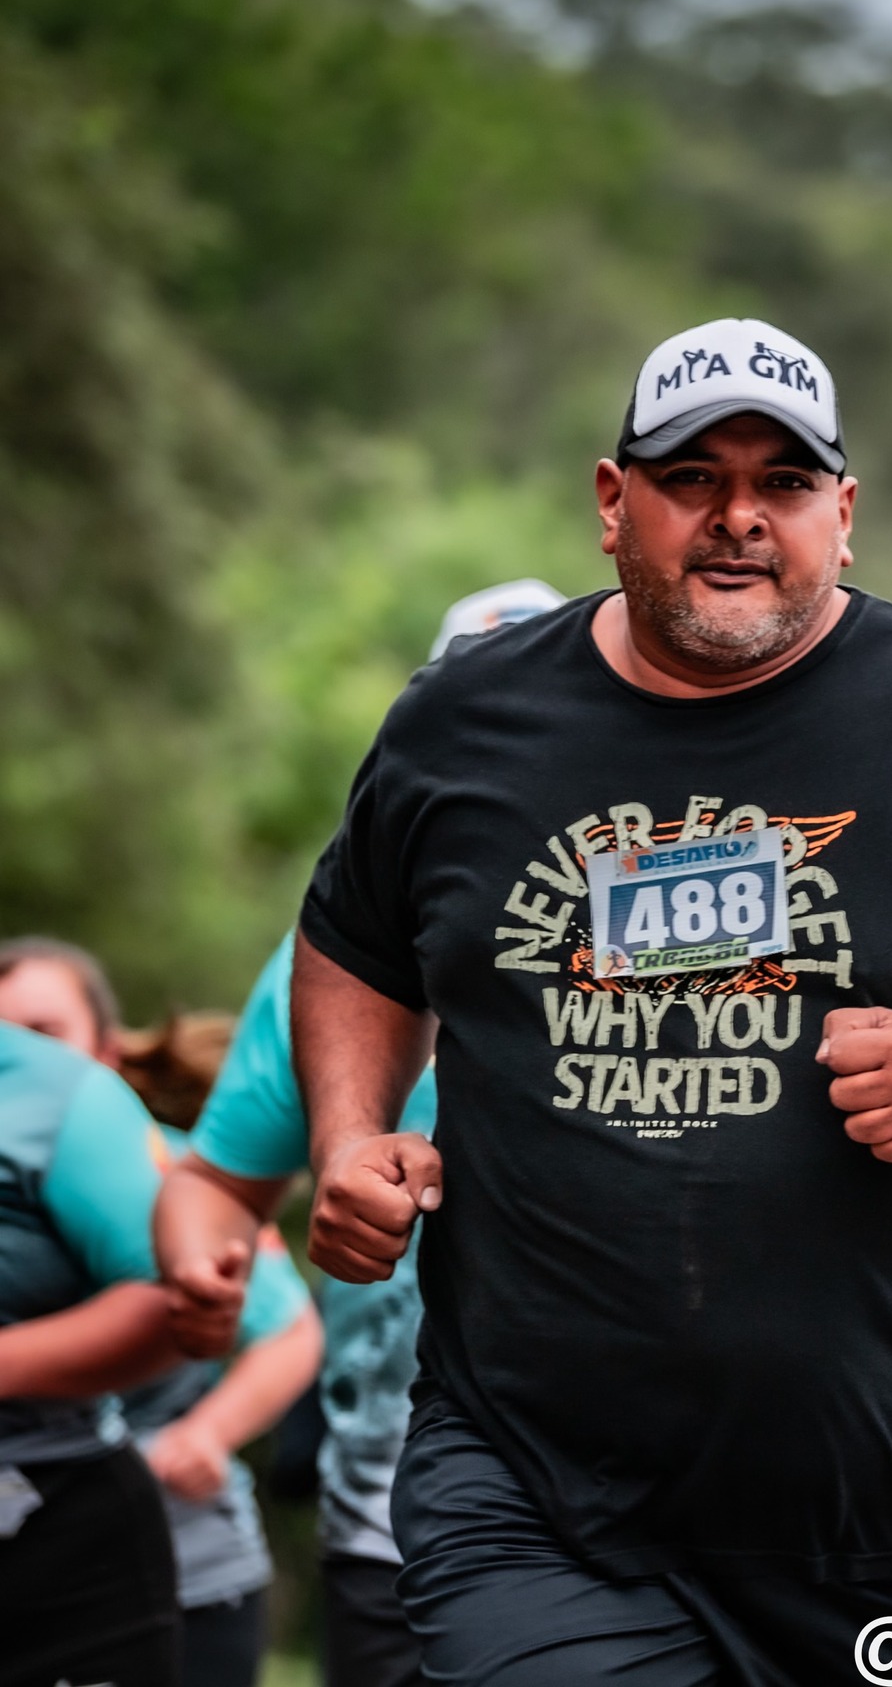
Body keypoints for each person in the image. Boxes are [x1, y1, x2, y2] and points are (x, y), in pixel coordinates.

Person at [286, 318, 892, 1683]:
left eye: (785, 484)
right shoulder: (463, 724)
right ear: (611, 501)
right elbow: (352, 940)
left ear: (845, 515)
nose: (739, 518)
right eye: (693, 477)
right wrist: (346, 1134)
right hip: (539, 1489)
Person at [154, 580, 565, 1687]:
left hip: (646, 1521)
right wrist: (201, 1265)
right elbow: (213, 1189)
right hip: (394, 1524)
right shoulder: (323, 971)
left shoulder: (670, 925)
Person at [0, 940, 321, 1687]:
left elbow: (287, 1330)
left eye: (42, 1032)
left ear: (105, 1052)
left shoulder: (185, 1186)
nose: (19, 1052)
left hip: (182, 1564)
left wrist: (206, 1435)